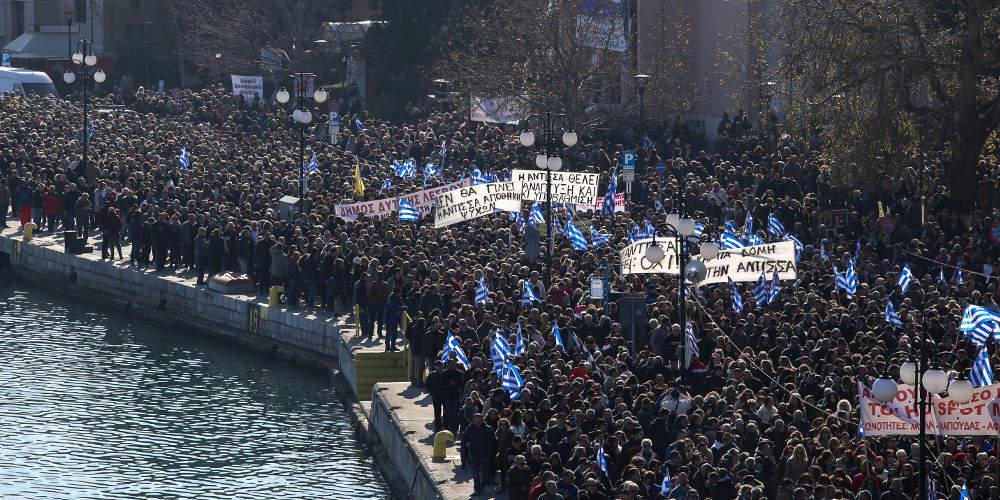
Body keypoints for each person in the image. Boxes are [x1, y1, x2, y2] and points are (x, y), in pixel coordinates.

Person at [462, 413, 496, 496]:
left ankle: (482, 488)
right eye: (475, 420)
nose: (477, 422)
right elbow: (464, 437)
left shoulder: (488, 429)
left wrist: (489, 447)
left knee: (484, 475)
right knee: (475, 474)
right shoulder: (470, 428)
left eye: (479, 420)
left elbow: (493, 440)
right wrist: (466, 443)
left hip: (484, 454)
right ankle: (477, 490)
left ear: (482, 420)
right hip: (473, 454)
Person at [383, 286, 402, 352]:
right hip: (390, 319)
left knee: (394, 334)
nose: (400, 294)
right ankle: (388, 346)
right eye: (399, 293)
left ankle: (392, 346)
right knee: (389, 333)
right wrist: (401, 308)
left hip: (394, 319)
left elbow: (400, 305)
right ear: (397, 293)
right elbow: (394, 307)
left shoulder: (397, 298)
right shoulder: (391, 299)